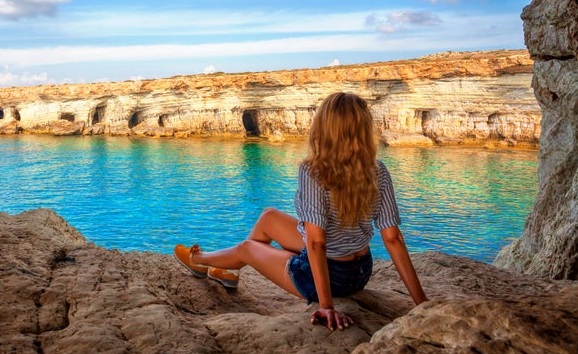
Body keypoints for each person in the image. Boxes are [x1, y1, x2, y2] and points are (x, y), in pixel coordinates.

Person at [174, 92, 428, 331]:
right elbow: (392, 238)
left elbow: (317, 243)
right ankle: (230, 271)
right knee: (269, 217)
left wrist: (326, 305)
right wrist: (422, 303)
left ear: (324, 128)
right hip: (361, 271)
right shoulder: (378, 170)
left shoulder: (314, 171)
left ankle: (199, 261)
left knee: (246, 248)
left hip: (331, 278)